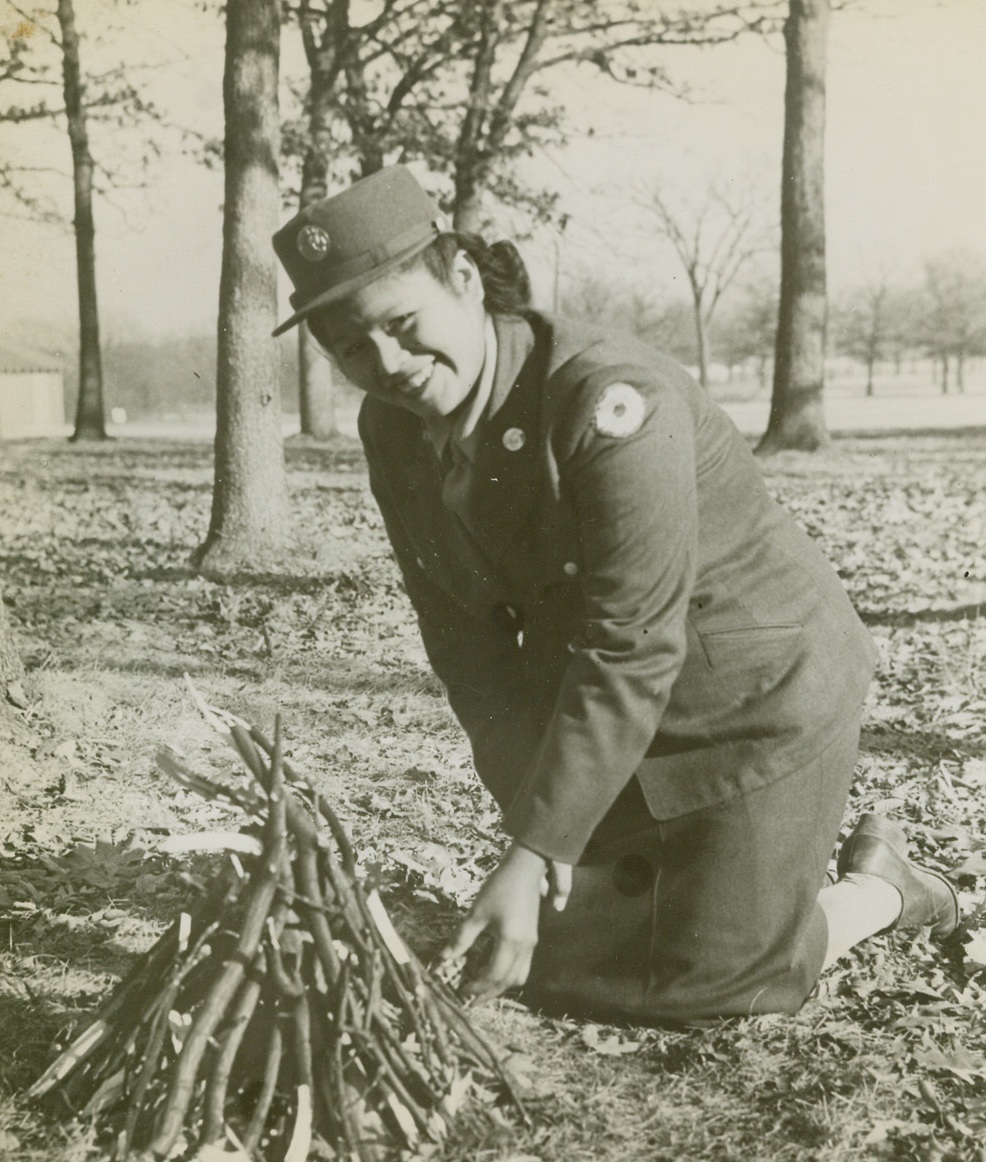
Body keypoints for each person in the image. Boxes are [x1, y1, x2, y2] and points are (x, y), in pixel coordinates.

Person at [272, 166, 960, 1026]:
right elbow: (464, 644)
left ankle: (882, 888)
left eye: (403, 326)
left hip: (757, 695)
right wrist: (545, 829)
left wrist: (533, 852)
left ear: (462, 280)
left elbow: (632, 640)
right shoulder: (392, 430)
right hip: (619, 714)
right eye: (350, 349)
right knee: (548, 959)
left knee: (716, 982)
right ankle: (698, 893)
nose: (389, 364)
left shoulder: (607, 400)